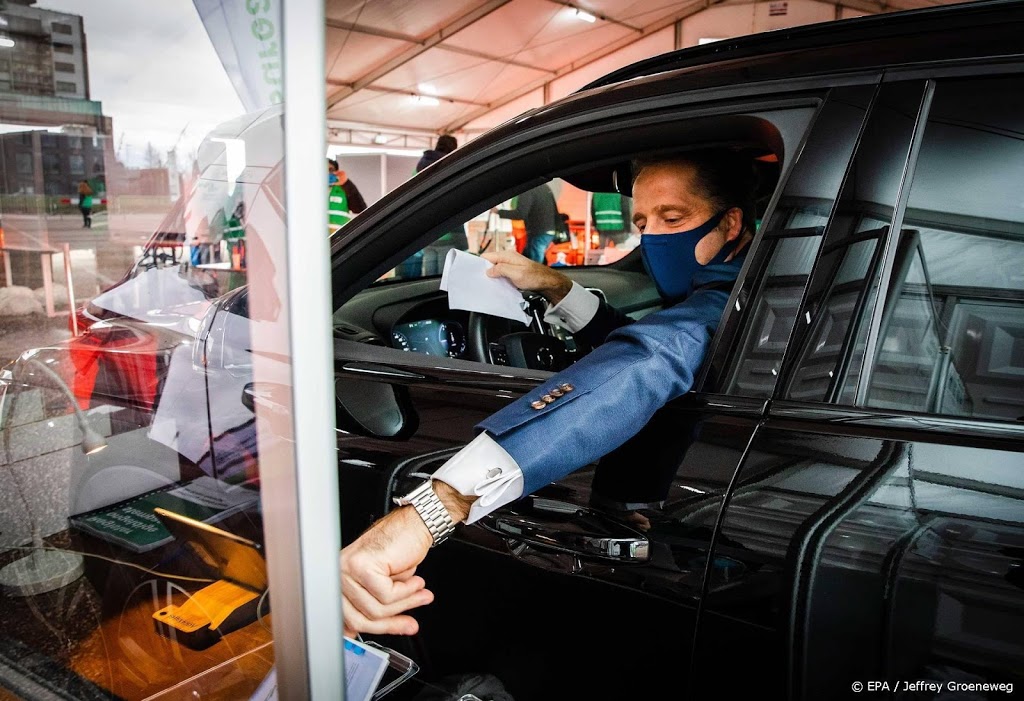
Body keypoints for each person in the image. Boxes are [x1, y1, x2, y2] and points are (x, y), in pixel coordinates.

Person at [338, 149, 758, 637]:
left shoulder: (721, 305)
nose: (656, 239)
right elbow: (641, 344)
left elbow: (647, 359)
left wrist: (433, 510)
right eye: (643, 223)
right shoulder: (737, 285)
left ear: (730, 223)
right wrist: (555, 286)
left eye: (673, 217)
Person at [415, 135, 470, 276]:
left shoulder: (419, 167)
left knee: (428, 280)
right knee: (444, 280)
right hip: (446, 232)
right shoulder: (450, 167)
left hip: (426, 233)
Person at [493, 182, 562, 264]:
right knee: (527, 260)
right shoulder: (544, 187)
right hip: (548, 230)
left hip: (538, 232)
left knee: (534, 266)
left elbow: (520, 214)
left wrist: (498, 212)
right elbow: (555, 211)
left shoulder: (527, 190)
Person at [327, 158, 368, 233]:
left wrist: (346, 182)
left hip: (339, 238)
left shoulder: (344, 188)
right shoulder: (311, 190)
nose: (327, 173)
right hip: (316, 239)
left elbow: (360, 209)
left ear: (336, 172)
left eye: (331, 170)